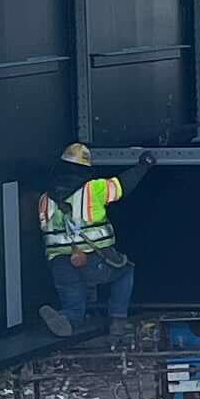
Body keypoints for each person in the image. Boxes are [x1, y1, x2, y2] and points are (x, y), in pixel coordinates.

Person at [36, 143, 137, 338]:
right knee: (125, 272)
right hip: (94, 257)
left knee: (74, 304)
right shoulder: (93, 189)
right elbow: (123, 185)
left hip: (59, 262)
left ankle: (67, 318)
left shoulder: (45, 198)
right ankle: (117, 319)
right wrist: (144, 165)